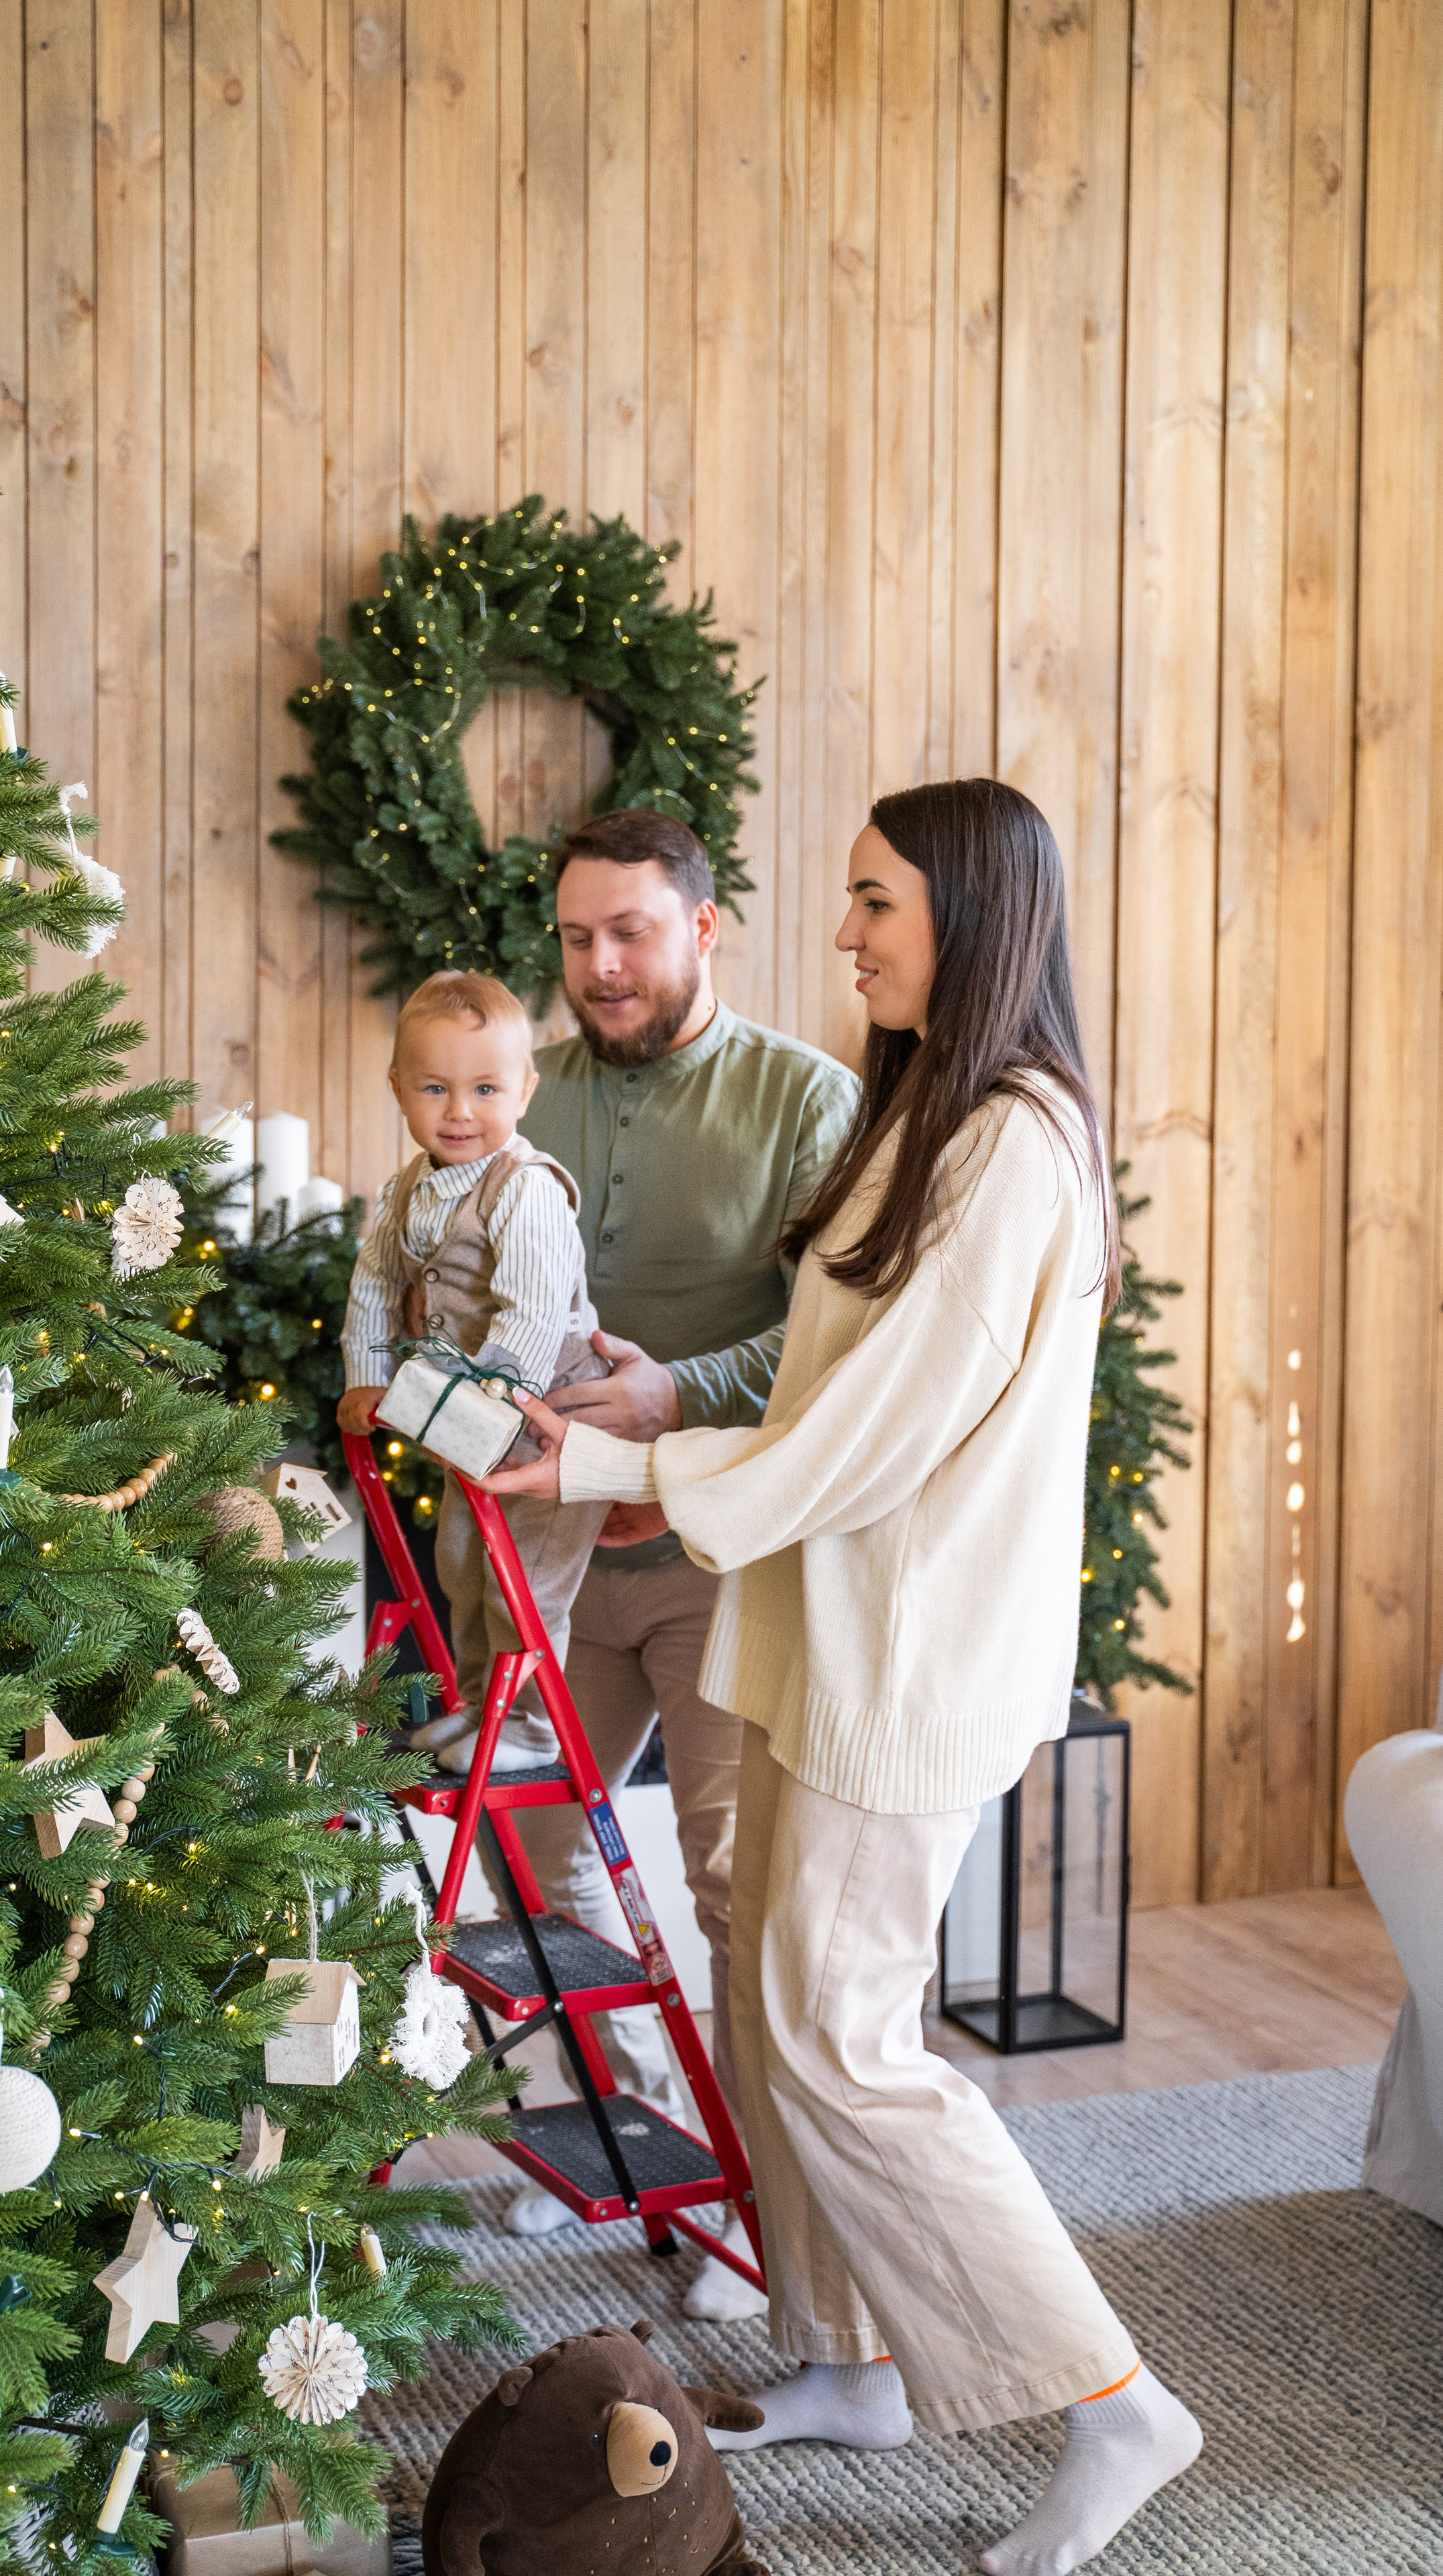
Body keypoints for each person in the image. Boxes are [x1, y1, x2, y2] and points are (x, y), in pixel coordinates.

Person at [483, 780, 1203, 2576]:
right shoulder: (914, 1119)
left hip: (917, 1650)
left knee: (845, 2038)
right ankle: (853, 2358)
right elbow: (818, 1397)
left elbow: (859, 1440)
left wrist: (604, 1467)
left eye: (876, 900)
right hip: (822, 1626)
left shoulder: (1014, 1151)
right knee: (778, 2002)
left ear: (968, 914)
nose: (848, 932)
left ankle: (1116, 2405)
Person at [513, 808, 857, 2316]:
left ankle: (759, 2210)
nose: (599, 965)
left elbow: (836, 1338)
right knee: (531, 1856)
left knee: (731, 1890)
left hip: (725, 1556)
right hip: (564, 1553)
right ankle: (628, 2124)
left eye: (629, 933)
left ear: (702, 928)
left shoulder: (809, 1101)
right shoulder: (530, 1092)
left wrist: (678, 1394)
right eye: (577, 937)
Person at [338, 971, 610, 1776]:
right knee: (460, 1561)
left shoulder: (525, 1189)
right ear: (399, 1089)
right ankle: (475, 1707)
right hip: (473, 1418)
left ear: (524, 1090)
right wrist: (369, 1372)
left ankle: (531, 1722)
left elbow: (528, 1313)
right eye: (435, 1088)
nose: (459, 1111)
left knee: (525, 1583)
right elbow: (377, 1286)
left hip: (548, 1416)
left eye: (485, 1088)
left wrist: (486, 1404)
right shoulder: (407, 1193)